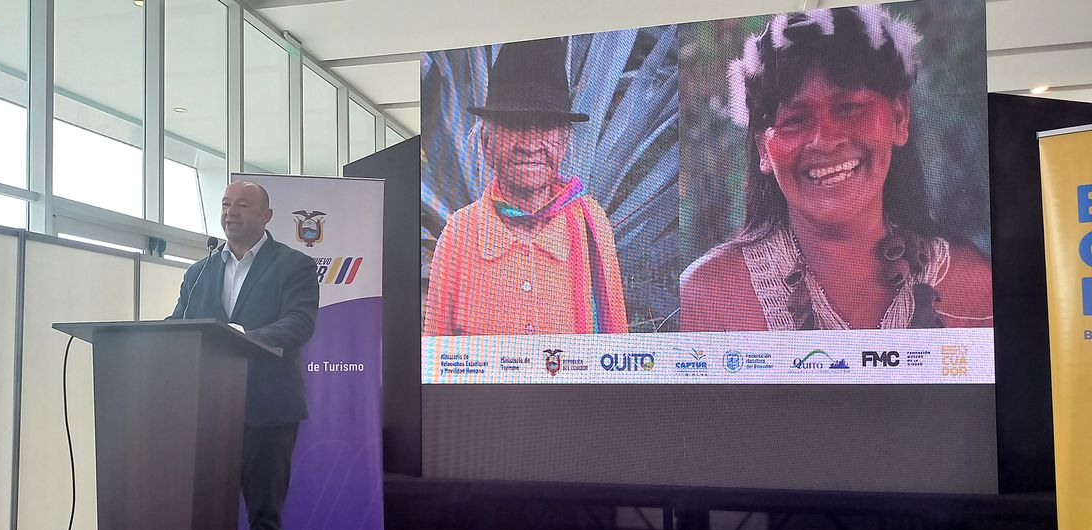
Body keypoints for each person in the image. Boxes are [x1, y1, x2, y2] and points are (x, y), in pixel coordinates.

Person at [680, 6, 993, 332]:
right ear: (763, 149)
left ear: (899, 118)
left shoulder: (973, 287)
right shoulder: (709, 297)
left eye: (849, 108)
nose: (825, 140)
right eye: (795, 120)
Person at [169, 180, 319, 530]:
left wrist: (242, 338)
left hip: (268, 412)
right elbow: (178, 324)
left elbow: (299, 323)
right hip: (208, 412)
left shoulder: (294, 265)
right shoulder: (199, 272)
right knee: (202, 519)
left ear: (267, 216)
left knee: (263, 519)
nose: (231, 212)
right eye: (225, 204)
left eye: (243, 205)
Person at [423, 37, 628, 336]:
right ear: (486, 143)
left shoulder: (590, 225)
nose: (530, 144)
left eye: (545, 126)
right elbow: (435, 350)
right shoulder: (460, 233)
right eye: (514, 125)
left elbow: (616, 342)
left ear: (564, 142)